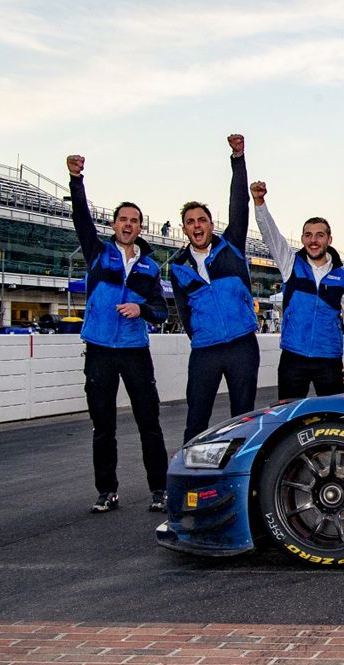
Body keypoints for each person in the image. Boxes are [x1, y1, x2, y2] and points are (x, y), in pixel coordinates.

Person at [66, 153, 169, 513]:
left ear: (141, 227)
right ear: (113, 225)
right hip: (99, 350)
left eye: (134, 221)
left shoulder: (151, 267)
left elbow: (160, 310)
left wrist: (141, 309)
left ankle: (160, 490)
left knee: (149, 423)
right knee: (103, 425)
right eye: (123, 219)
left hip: (135, 350)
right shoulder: (98, 254)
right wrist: (76, 181)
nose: (128, 225)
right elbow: (80, 217)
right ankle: (106, 491)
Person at [168, 134, 258, 443]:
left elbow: (239, 202)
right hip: (205, 350)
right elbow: (183, 312)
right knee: (197, 419)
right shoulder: (178, 265)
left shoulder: (231, 245)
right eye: (190, 221)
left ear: (210, 224)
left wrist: (238, 159)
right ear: (185, 228)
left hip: (242, 346)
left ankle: (244, 481)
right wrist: (204, 336)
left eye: (202, 220)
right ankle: (191, 480)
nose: (197, 225)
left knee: (244, 418)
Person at [251, 180, 344, 399]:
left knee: (331, 416)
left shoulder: (343, 277)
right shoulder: (290, 264)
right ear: (303, 239)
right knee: (288, 417)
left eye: (319, 235)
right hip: (293, 357)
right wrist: (259, 202)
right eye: (308, 235)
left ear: (329, 240)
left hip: (329, 360)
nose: (313, 240)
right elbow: (270, 234)